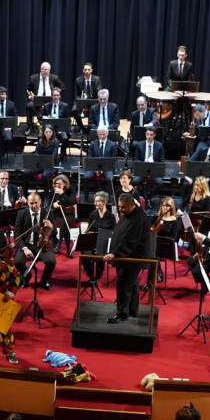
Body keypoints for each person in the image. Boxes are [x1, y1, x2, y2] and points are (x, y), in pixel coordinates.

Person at [104, 193, 149, 324]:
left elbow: (131, 240)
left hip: (131, 258)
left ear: (131, 205)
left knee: (123, 284)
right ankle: (132, 310)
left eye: (123, 207)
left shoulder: (138, 219)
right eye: (119, 207)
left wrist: (115, 254)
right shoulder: (129, 214)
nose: (121, 210)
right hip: (127, 256)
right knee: (132, 284)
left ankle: (122, 313)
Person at [13, 191, 56, 290]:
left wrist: (51, 227)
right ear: (27, 203)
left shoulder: (48, 213)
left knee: (51, 261)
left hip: (43, 245)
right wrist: (24, 248)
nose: (33, 205)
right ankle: (26, 276)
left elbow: (55, 234)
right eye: (31, 203)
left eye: (36, 203)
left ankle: (44, 280)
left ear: (40, 202)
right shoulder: (21, 213)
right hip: (27, 244)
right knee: (17, 262)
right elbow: (17, 234)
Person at [81, 191, 115, 283]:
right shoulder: (93, 214)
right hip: (93, 241)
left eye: (97, 201)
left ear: (104, 202)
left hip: (104, 242)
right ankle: (91, 275)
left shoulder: (111, 216)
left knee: (100, 254)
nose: (94, 203)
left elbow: (113, 232)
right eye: (94, 201)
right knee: (85, 254)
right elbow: (89, 228)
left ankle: (98, 276)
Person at [25, 61, 65, 130]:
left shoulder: (54, 77)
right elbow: (28, 90)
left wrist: (57, 92)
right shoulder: (33, 78)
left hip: (51, 101)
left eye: (48, 70)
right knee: (29, 105)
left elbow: (63, 87)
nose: (47, 72)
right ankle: (30, 126)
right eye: (45, 69)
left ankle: (56, 125)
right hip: (37, 101)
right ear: (41, 69)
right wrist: (30, 96)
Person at [46, 174, 76, 257]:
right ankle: (68, 250)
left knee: (64, 222)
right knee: (64, 225)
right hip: (57, 214)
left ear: (65, 184)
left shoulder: (71, 190)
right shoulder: (53, 191)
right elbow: (48, 205)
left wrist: (62, 193)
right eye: (56, 183)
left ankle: (58, 244)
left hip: (69, 214)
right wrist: (53, 205)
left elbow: (71, 202)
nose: (57, 186)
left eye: (59, 184)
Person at [131, 127, 165, 196]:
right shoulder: (139, 145)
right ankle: (141, 194)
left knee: (160, 182)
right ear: (145, 134)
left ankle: (150, 194)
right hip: (142, 169)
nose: (149, 136)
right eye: (147, 134)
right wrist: (142, 164)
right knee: (135, 181)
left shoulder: (159, 145)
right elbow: (136, 159)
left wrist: (156, 165)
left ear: (154, 135)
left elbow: (162, 160)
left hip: (154, 169)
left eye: (151, 135)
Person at [38, 93, 69, 161]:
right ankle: (43, 154)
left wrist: (63, 127)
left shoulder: (64, 106)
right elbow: (39, 116)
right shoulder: (47, 105)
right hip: (48, 128)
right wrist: (44, 117)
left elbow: (67, 119)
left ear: (60, 96)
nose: (56, 97)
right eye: (54, 95)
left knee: (65, 138)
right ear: (52, 96)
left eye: (57, 95)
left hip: (60, 128)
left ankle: (63, 154)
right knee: (40, 137)